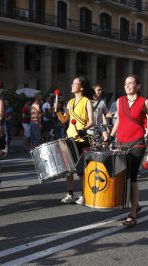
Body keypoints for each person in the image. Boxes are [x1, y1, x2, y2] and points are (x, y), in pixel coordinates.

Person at [106, 74, 148, 228]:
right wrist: (110, 137)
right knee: (122, 175)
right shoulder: (119, 101)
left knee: (132, 176)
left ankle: (133, 214)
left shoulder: (144, 102)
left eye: (131, 83)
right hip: (121, 144)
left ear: (138, 86)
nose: (128, 86)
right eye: (126, 83)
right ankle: (136, 204)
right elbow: (119, 120)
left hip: (137, 144)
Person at [55, 76, 93, 204]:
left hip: (81, 139)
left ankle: (84, 194)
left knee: (81, 169)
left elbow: (91, 121)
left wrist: (83, 129)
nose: (72, 85)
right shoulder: (70, 102)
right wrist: (58, 111)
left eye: (74, 84)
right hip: (69, 138)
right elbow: (64, 120)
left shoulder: (87, 101)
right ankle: (70, 194)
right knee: (68, 168)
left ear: (81, 87)